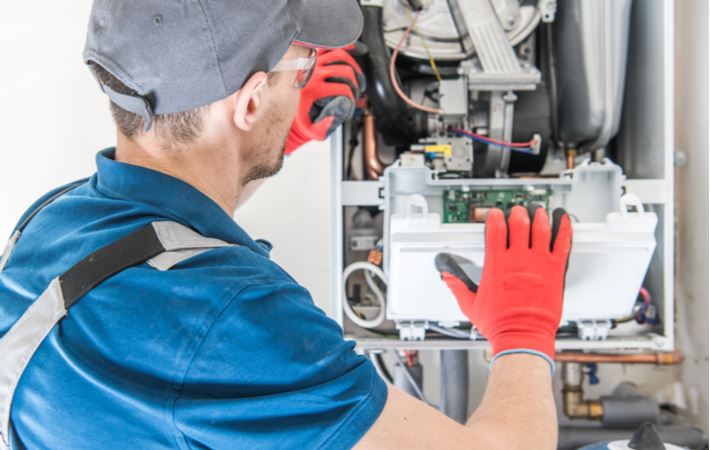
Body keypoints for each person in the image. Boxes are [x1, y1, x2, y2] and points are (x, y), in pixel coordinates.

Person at [0, 1, 572, 449]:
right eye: (301, 67)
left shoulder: (55, 219)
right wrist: (523, 331)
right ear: (248, 105)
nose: (305, 81)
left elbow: (170, 236)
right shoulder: (232, 321)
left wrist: (276, 140)